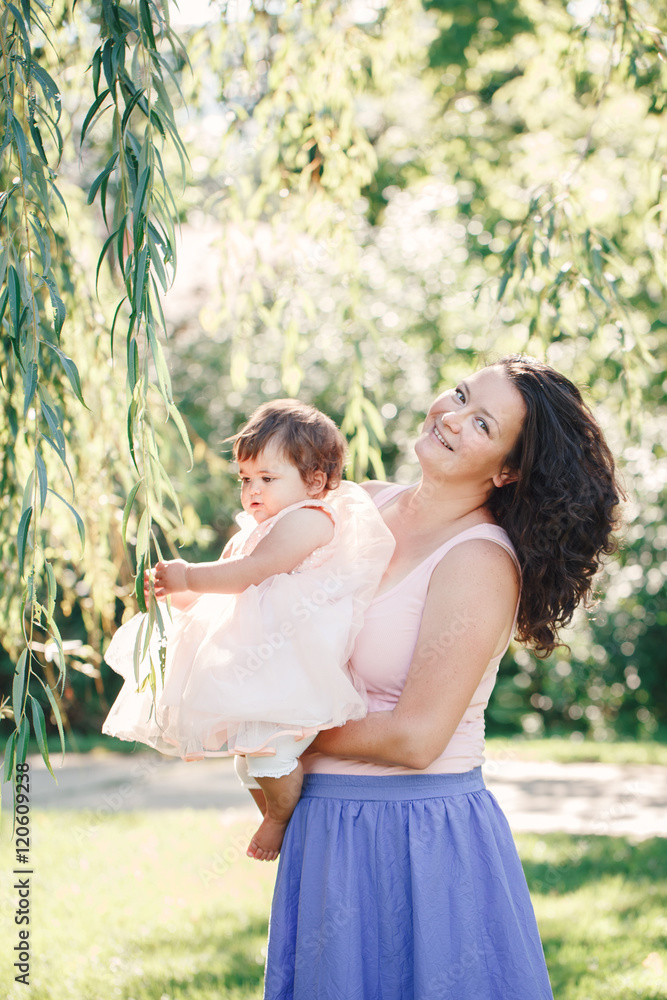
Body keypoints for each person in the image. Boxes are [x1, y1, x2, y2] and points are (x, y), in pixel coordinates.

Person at [257, 356, 623, 1000]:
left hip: (415, 835)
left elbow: (416, 737)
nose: (449, 416)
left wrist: (275, 732)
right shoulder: (356, 506)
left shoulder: (478, 560)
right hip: (325, 828)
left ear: (506, 470)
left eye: (480, 422)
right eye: (458, 394)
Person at [102, 400, 395, 860]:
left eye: (267, 479)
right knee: (248, 764)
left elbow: (254, 571)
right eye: (245, 479)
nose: (252, 490)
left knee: (271, 755)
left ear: (314, 481)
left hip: (289, 665)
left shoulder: (310, 519)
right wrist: (175, 593)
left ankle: (280, 818)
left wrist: (189, 574)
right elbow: (221, 587)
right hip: (259, 667)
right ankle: (284, 822)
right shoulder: (256, 528)